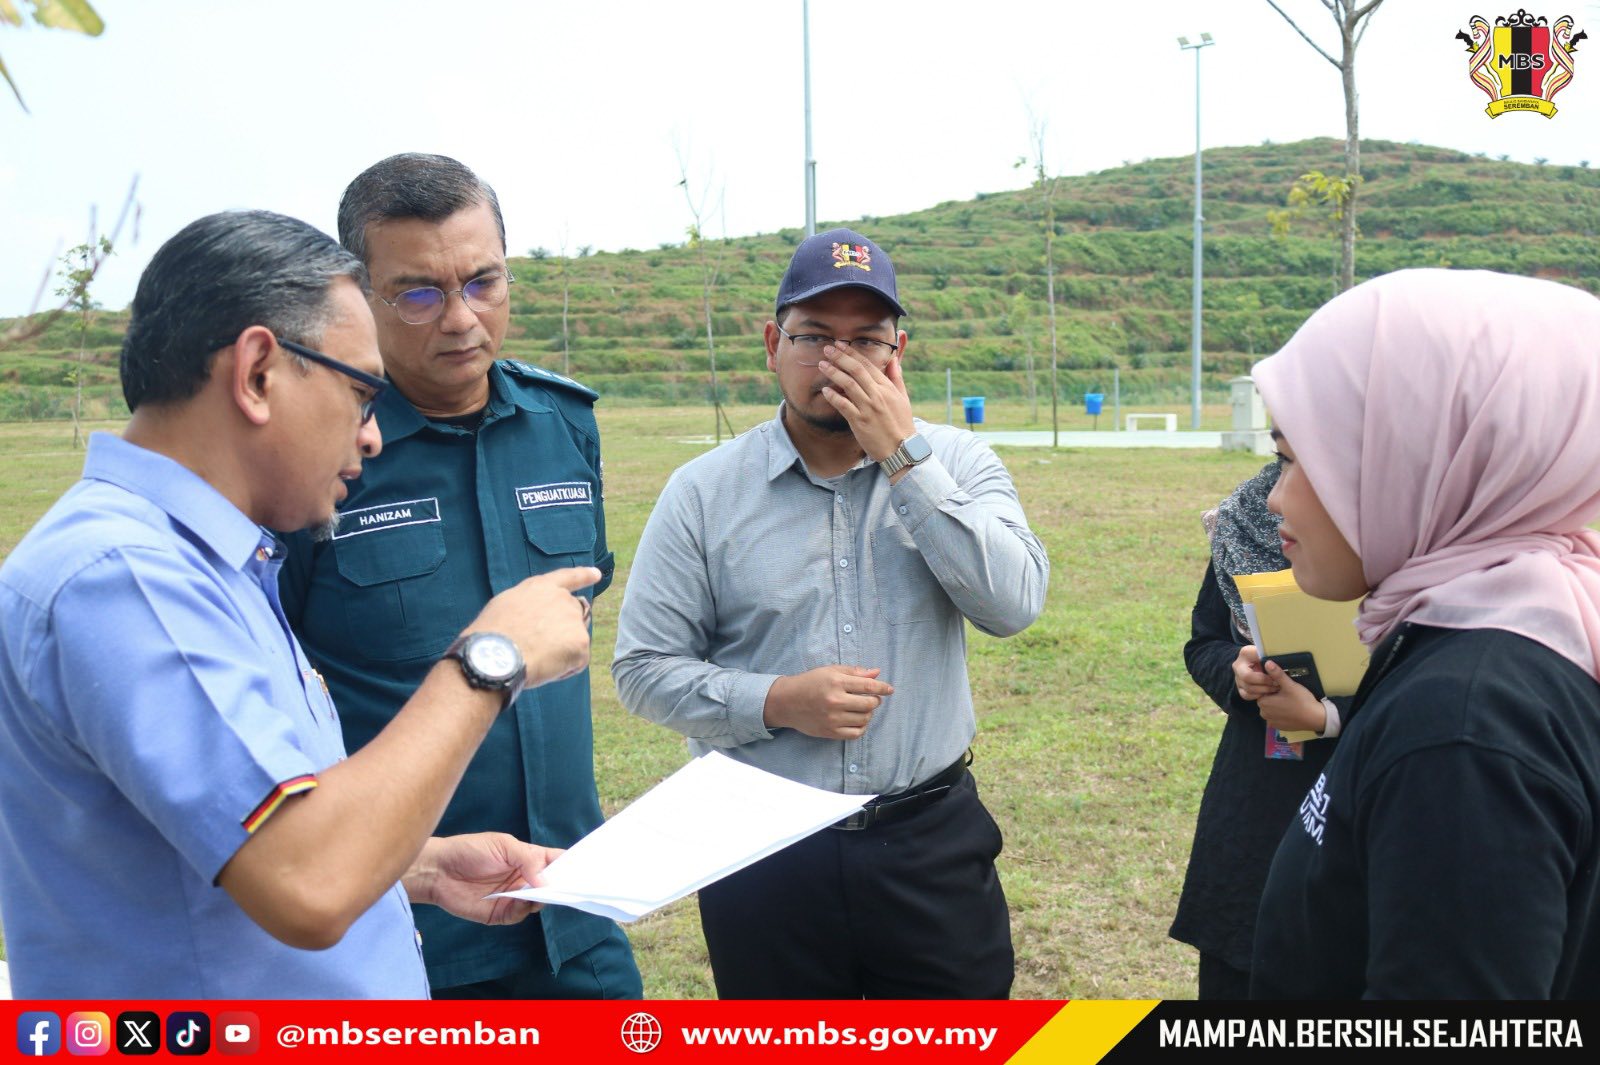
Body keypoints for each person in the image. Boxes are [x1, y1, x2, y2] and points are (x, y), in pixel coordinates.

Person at [0, 210, 596, 998]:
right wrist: (491, 659)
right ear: (256, 374)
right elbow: (306, 878)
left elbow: (238, 827)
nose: (373, 435)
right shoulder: (128, 580)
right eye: (361, 392)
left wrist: (416, 866)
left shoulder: (207, 562)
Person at [612, 228, 1050, 999]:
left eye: (866, 340)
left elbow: (1013, 604)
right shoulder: (704, 491)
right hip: (761, 849)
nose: (840, 361)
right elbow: (643, 669)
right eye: (815, 336)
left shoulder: (960, 463)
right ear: (773, 343)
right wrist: (778, 700)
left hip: (927, 842)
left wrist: (904, 457)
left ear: (898, 352)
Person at [279, 154, 639, 999]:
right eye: (418, 293)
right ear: (360, 296)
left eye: (483, 281)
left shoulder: (565, 425)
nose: (461, 319)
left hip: (575, 908)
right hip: (409, 927)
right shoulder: (323, 458)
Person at [1248, 268, 1600, 999]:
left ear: (1415, 456)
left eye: (1292, 458)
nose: (1275, 497)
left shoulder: (1464, 729)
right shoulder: (1517, 625)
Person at [1169, 460, 1347, 999]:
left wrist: (1329, 717)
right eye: (1281, 452)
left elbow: (1435, 675)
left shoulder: (1407, 527)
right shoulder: (1246, 516)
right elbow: (1204, 643)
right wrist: (1239, 675)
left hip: (1363, 799)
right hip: (1259, 800)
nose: (1280, 489)